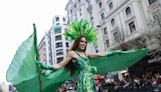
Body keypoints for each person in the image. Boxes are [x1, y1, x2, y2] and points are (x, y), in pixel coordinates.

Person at [7, 19, 149, 92]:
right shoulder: (72, 53)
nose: (83, 43)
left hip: (91, 80)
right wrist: (43, 65)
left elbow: (100, 54)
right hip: (83, 80)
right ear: (77, 42)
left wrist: (117, 52)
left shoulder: (86, 54)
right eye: (81, 41)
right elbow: (59, 65)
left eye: (85, 42)